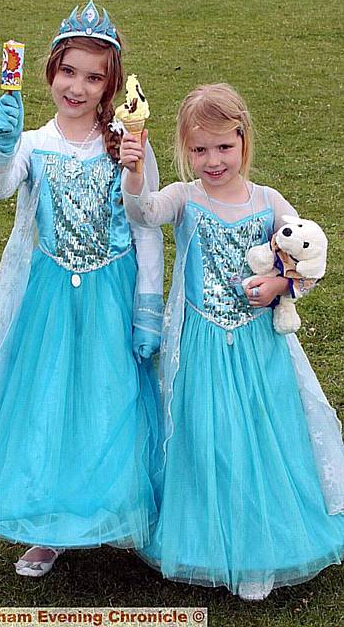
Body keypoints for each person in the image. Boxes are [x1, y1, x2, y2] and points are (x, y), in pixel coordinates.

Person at [0, 0, 164, 577]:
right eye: (69, 71)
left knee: (111, 402)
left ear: (110, 85)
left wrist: (147, 309)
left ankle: (115, 513)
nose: (78, 86)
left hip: (111, 296)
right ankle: (47, 528)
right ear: (49, 72)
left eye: (94, 77)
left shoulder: (126, 144)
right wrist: (1, 143)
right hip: (48, 298)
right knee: (46, 405)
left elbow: (145, 226)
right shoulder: (34, 144)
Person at [120, 83, 344, 600]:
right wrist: (134, 170)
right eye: (199, 149)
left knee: (260, 435)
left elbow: (310, 261)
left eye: (224, 146)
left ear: (244, 140)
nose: (213, 160)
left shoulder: (269, 202)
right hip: (201, 341)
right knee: (207, 436)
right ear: (184, 150)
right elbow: (143, 213)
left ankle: (258, 550)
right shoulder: (186, 198)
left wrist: (282, 285)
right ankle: (207, 537)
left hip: (259, 345)